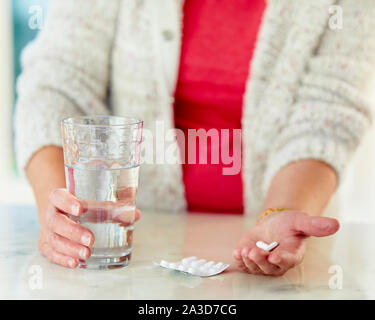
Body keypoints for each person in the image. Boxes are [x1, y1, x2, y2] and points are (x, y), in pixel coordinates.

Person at [15, 0, 375, 275]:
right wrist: (60, 214)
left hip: (271, 253)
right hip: (134, 250)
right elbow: (53, 87)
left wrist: (280, 213)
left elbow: (325, 117)